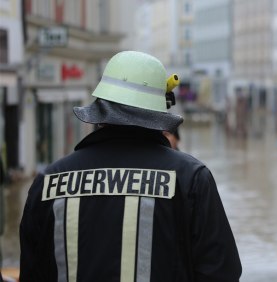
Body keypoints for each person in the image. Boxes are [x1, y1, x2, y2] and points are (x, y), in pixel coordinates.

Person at [19, 51, 242, 281]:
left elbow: (31, 272)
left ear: (100, 110)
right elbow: (221, 273)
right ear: (158, 112)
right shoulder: (190, 179)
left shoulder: (48, 181)